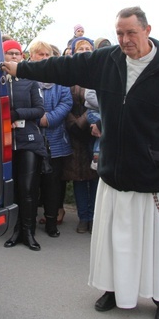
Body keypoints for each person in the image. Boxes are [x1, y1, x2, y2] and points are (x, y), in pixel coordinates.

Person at [1, 6, 159, 319]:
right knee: (113, 239)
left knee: (157, 243)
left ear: (148, 30)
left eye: (131, 32)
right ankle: (112, 289)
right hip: (114, 170)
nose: (124, 39)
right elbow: (62, 67)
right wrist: (20, 68)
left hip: (155, 174)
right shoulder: (107, 60)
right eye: (119, 33)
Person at [2, 39, 48, 251]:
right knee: (14, 190)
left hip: (28, 139)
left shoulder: (30, 81)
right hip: (6, 142)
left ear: (22, 57)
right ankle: (17, 230)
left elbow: (39, 110)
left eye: (17, 53)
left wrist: (17, 114)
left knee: (28, 189)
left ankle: (29, 232)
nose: (13, 56)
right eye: (9, 53)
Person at [28, 40, 73, 238]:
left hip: (56, 140)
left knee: (53, 184)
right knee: (32, 182)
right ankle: (28, 223)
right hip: (32, 141)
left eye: (47, 55)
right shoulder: (27, 79)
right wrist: (39, 118)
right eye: (41, 55)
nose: (45, 58)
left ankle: (51, 222)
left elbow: (66, 103)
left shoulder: (61, 80)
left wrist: (49, 119)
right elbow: (22, 102)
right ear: (32, 57)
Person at [65, 38, 100, 234]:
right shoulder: (68, 75)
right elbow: (62, 100)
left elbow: (102, 101)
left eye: (88, 48)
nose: (85, 51)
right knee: (78, 178)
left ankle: (95, 217)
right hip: (73, 133)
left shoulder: (98, 74)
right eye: (81, 48)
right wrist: (73, 122)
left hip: (94, 131)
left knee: (94, 177)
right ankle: (83, 217)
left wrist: (86, 120)